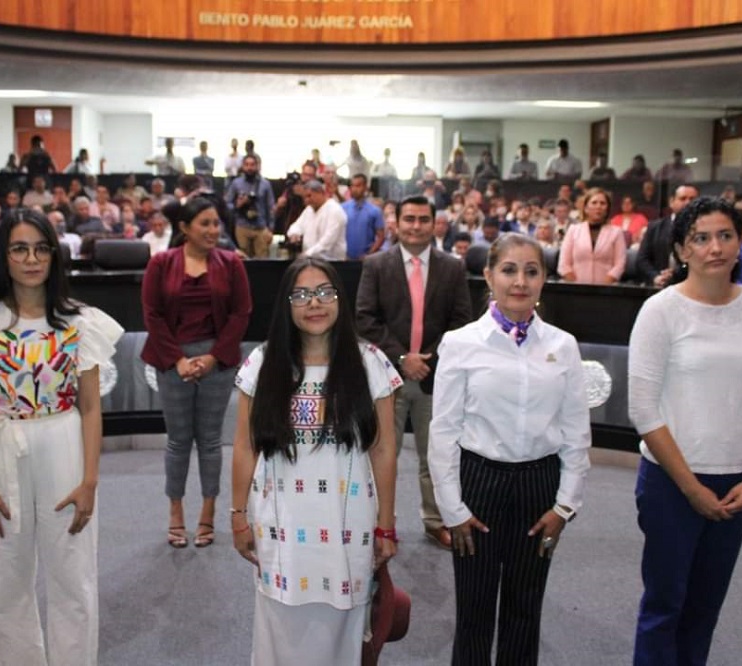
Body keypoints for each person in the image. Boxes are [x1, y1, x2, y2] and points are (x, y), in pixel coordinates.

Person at [0, 208, 123, 665]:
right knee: (7, 581)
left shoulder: (79, 321)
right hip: (2, 450)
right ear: (3, 255)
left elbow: (91, 407)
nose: (32, 259)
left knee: (73, 578)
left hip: (65, 446)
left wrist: (90, 481)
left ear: (55, 255)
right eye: (19, 249)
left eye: (41, 249)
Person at [628, 196, 742, 665]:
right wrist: (691, 487)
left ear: (740, 244)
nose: (715, 247)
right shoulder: (660, 310)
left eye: (725, 236)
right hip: (670, 482)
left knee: (704, 609)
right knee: (664, 606)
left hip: (736, 481)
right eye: (701, 238)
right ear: (682, 250)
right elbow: (643, 410)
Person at [429, 233, 590, 665]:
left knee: (525, 608)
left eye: (531, 271)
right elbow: (443, 432)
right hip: (478, 484)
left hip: (540, 487)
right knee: (474, 611)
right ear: (488, 276)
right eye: (509, 270)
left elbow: (576, 432)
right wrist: (452, 509)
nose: (520, 281)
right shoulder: (460, 343)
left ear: (544, 279)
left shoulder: (563, 346)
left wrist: (565, 506)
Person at [230, 256, 399, 665]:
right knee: (280, 632)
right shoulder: (262, 364)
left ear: (341, 298)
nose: (314, 303)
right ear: (286, 304)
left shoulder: (371, 362)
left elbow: (382, 450)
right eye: (301, 294)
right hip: (280, 526)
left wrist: (386, 525)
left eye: (325, 292)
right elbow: (245, 447)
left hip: (347, 526)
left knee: (340, 636)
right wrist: (237, 516)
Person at [356, 195, 472, 550]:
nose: (416, 226)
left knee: (435, 455)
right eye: (409, 219)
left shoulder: (452, 268)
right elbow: (364, 318)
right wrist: (403, 357)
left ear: (434, 223)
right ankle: (380, 523)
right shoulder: (376, 265)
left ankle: (436, 520)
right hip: (386, 377)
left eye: (423, 219)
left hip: (434, 376)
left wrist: (427, 361)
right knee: (382, 454)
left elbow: (461, 321)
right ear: (397, 222)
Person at [141, 197, 251, 549]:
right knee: (178, 441)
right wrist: (178, 360)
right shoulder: (161, 263)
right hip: (171, 361)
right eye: (205, 223)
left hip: (217, 361)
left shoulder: (231, 263)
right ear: (185, 228)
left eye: (216, 223)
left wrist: (214, 357)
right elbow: (152, 314)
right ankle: (175, 512)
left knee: (210, 441)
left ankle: (208, 511)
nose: (213, 230)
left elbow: (241, 313)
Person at [558, 188, 627, 284]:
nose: (598, 206)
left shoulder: (616, 233)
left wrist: (604, 286)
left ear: (607, 209)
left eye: (602, 203)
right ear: (586, 208)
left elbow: (620, 264)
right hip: (576, 287)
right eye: (594, 203)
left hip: (607, 288)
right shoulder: (573, 230)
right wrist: (576, 285)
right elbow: (563, 265)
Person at [637, 185, 699, 287]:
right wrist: (655, 277)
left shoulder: (703, 231)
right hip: (658, 285)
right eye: (683, 198)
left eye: (692, 199)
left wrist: (676, 273)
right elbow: (642, 260)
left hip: (691, 286)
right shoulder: (655, 227)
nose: (688, 203)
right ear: (671, 202)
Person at [225, 154, 275, 258]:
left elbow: (271, 207)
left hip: (261, 227)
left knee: (263, 261)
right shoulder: (236, 183)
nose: (249, 168)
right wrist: (237, 205)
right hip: (242, 227)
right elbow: (227, 204)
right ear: (243, 166)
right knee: (243, 261)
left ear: (257, 166)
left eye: (252, 165)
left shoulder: (265, 184)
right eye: (246, 165)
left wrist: (271, 229)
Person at [285, 180, 348, 260]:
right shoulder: (309, 210)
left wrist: (307, 253)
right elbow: (297, 225)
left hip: (331, 261)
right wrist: (294, 234)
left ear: (321, 193)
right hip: (309, 259)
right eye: (304, 197)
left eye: (309, 196)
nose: (306, 200)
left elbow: (328, 241)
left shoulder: (335, 210)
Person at [342, 174, 385, 260]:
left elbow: (381, 237)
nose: (354, 189)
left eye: (358, 186)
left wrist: (370, 254)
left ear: (365, 188)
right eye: (352, 186)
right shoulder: (343, 208)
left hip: (366, 259)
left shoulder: (374, 211)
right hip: (345, 257)